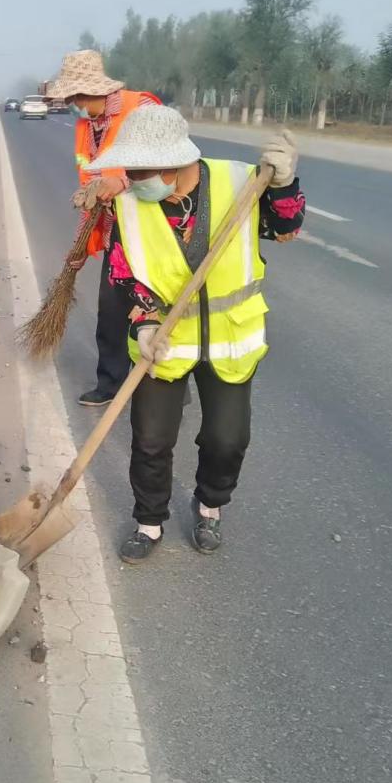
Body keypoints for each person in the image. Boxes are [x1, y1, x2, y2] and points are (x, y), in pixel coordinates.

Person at [81, 105, 304, 563]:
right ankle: (149, 521)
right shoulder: (131, 203)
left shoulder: (241, 182)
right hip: (162, 341)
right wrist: (144, 322)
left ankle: (209, 506)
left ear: (177, 162)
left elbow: (285, 227)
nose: (134, 179)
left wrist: (284, 185)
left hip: (231, 339)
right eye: (131, 170)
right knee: (150, 440)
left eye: (142, 170)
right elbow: (124, 270)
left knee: (227, 439)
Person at [42, 50, 160, 408]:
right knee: (110, 310)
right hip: (115, 233)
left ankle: (161, 387)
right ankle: (110, 382)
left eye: (75, 98)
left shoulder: (141, 109)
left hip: (152, 231)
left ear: (92, 91)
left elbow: (170, 167)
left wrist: (121, 182)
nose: (73, 106)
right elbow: (90, 190)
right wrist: (80, 246)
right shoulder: (86, 126)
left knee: (152, 309)